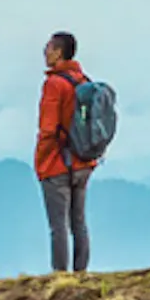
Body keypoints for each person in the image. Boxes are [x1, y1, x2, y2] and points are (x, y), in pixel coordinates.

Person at [36, 31, 93, 273]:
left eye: (48, 47)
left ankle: (59, 277)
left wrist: (41, 162)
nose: (45, 52)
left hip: (57, 164)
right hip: (83, 162)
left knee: (58, 225)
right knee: (78, 223)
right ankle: (81, 274)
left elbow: (48, 129)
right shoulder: (84, 82)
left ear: (58, 52)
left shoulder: (54, 84)